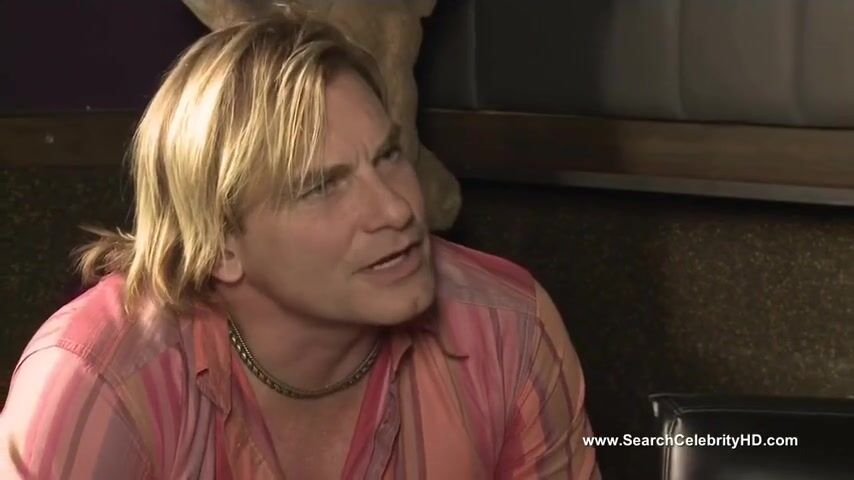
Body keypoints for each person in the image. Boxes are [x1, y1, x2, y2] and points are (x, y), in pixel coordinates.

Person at [0, 9, 599, 479]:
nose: (397, 209)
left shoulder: (508, 328)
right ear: (220, 246)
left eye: (389, 156)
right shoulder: (97, 384)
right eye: (322, 187)